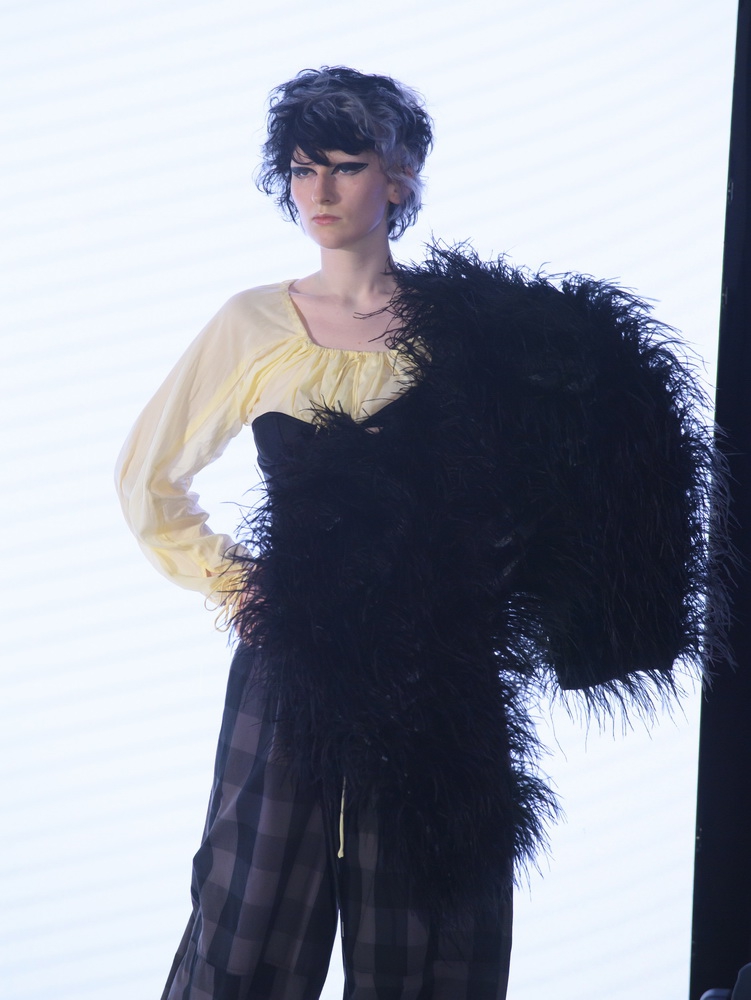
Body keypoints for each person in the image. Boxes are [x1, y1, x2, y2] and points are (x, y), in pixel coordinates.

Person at [116, 67, 724, 1000]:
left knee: (431, 940)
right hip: (295, 666)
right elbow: (146, 481)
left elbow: (567, 474)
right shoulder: (252, 325)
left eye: (345, 165)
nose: (319, 190)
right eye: (302, 167)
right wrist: (241, 585)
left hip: (438, 674)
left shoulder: (476, 331)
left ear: (397, 178)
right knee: (247, 922)